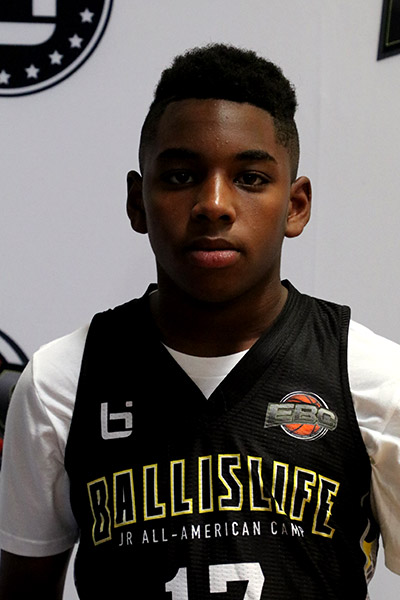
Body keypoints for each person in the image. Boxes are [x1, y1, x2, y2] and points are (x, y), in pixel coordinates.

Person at [0, 43, 399, 599]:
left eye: (251, 178)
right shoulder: (60, 381)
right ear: (138, 202)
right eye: (182, 176)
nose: (214, 204)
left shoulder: (372, 377)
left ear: (296, 206)